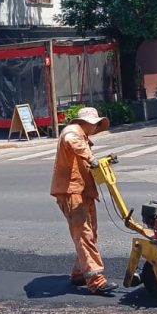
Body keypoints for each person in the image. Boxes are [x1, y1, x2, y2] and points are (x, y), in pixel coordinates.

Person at [51, 106, 117, 296]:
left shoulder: (84, 137)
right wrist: (91, 158)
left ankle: (79, 273)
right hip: (71, 191)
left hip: (84, 191)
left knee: (90, 233)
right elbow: (71, 141)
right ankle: (96, 281)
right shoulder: (72, 132)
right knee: (84, 233)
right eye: (95, 124)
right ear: (86, 123)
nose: (96, 128)